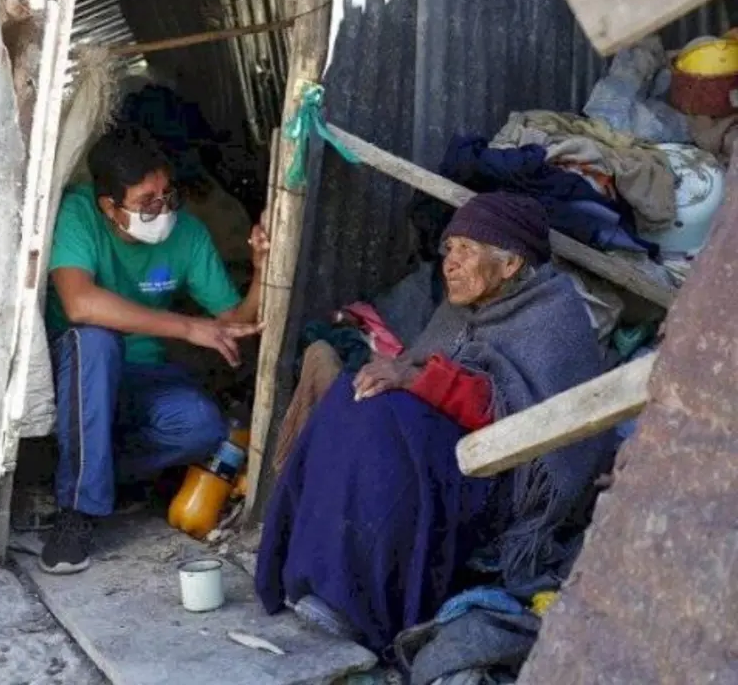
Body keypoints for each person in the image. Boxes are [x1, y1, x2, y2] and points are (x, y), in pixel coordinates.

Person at [255, 192, 618, 653]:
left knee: (384, 433)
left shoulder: (553, 317)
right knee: (354, 402)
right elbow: (424, 367)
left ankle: (363, 606)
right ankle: (304, 570)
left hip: (503, 480)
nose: (451, 262)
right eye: (449, 249)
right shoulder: (458, 310)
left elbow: (512, 413)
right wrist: (395, 378)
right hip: (450, 452)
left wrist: (415, 379)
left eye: (467, 249)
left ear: (510, 264)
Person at [41, 124, 268, 574]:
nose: (163, 210)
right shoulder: (79, 214)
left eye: (168, 196)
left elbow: (230, 325)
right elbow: (79, 302)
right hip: (79, 377)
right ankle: (77, 513)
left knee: (203, 426)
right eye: (147, 202)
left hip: (145, 376)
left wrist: (262, 272)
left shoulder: (188, 234)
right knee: (96, 340)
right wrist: (186, 327)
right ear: (109, 206)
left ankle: (96, 475)